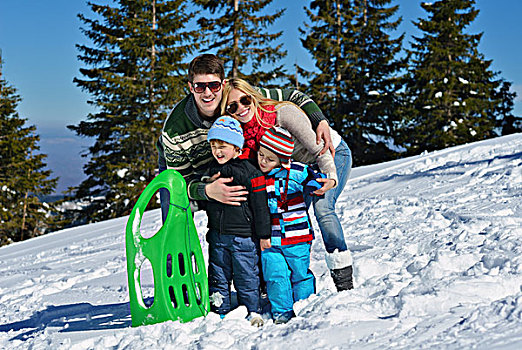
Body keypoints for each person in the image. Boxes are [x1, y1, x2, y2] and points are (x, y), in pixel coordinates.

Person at [157, 53, 334, 215]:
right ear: (190, 87)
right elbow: (179, 184)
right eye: (200, 87)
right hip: (187, 165)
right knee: (175, 206)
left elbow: (292, 96)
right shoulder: (175, 130)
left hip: (226, 163)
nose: (208, 93)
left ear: (223, 84)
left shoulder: (239, 101)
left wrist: (320, 120)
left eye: (214, 85)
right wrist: (207, 190)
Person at [221, 78, 354, 291]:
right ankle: (277, 279)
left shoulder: (282, 114)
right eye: (233, 106)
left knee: (323, 208)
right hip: (294, 168)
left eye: (245, 100)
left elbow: (319, 148)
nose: (241, 108)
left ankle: (343, 280)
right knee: (280, 213)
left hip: (330, 154)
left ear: (253, 97)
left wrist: (330, 175)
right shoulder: (241, 134)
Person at [204, 116, 270, 327]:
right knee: (217, 274)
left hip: (244, 237)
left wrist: (264, 235)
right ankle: (218, 309)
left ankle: (253, 310)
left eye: (222, 146)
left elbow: (260, 208)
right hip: (217, 234)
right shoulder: (210, 171)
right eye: (213, 146)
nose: (217, 151)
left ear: (237, 148)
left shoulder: (251, 173)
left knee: (246, 275)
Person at [257, 127, 325, 324]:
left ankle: (305, 307)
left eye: (269, 159)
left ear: (282, 159)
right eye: (261, 155)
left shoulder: (296, 171)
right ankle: (282, 312)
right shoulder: (258, 177)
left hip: (298, 237)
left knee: (300, 274)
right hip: (271, 239)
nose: (263, 161)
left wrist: (313, 185)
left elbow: (313, 177)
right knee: (275, 275)